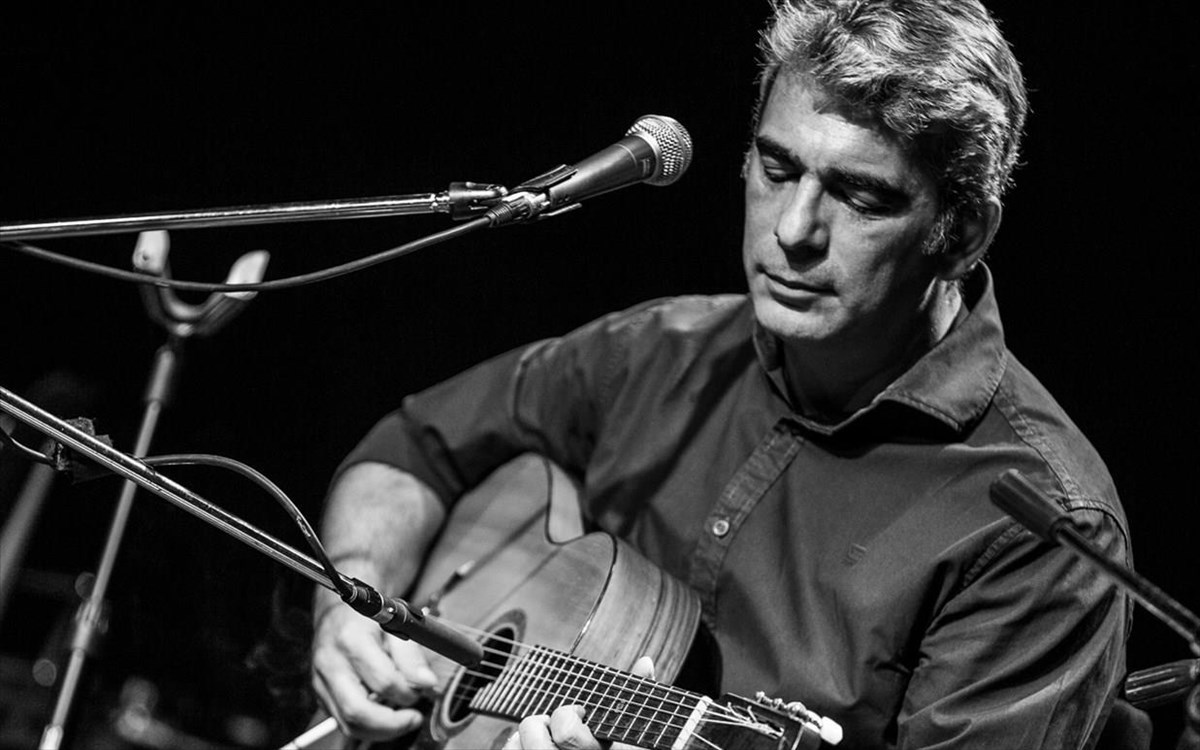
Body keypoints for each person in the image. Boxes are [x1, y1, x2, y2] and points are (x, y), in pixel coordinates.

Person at [309, 1, 1132, 747]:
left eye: (860, 196)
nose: (794, 230)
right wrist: (352, 603)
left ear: (963, 233)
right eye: (778, 169)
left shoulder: (1043, 527)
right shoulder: (658, 349)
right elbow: (415, 446)